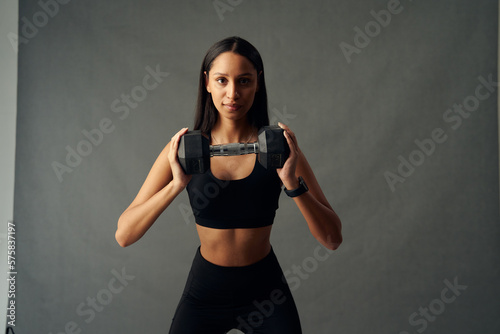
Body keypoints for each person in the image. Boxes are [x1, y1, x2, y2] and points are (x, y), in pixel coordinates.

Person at [115, 36, 342, 334]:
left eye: (244, 81)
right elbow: (124, 235)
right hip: (205, 294)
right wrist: (175, 186)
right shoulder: (182, 149)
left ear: (258, 83)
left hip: (266, 293)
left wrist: (292, 184)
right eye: (222, 80)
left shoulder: (281, 147)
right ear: (207, 82)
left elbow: (332, 238)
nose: (233, 93)